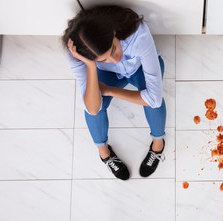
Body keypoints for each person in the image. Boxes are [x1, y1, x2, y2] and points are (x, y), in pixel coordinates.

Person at [62, 5, 166, 180]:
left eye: (113, 49)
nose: (115, 59)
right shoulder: (76, 53)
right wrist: (91, 65)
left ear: (113, 33)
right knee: (92, 109)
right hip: (106, 74)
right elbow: (93, 108)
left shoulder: (137, 34)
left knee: (153, 102)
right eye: (104, 59)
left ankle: (158, 143)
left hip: (138, 68)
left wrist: (110, 90)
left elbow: (154, 99)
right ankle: (104, 153)